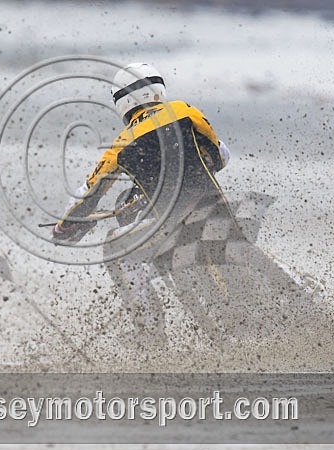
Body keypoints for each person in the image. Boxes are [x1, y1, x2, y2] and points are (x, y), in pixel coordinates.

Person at [49, 62, 237, 348]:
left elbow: (88, 195)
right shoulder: (185, 110)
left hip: (173, 225)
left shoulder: (122, 144)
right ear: (158, 88)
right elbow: (219, 155)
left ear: (122, 102)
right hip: (217, 210)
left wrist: (64, 228)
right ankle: (301, 288)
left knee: (116, 249)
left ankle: (150, 334)